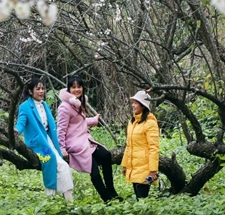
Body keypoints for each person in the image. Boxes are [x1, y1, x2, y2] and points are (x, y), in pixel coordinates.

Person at [57, 75, 119, 203]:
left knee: (106, 155)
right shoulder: (64, 107)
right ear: (68, 89)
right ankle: (107, 198)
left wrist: (93, 120)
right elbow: (61, 129)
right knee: (94, 172)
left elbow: (79, 122)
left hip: (85, 140)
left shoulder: (79, 103)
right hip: (75, 144)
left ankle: (112, 191)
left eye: (79, 87)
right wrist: (62, 148)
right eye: (73, 87)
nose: (77, 90)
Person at [14, 78, 74, 201]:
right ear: (31, 91)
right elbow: (21, 122)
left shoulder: (45, 105)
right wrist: (15, 130)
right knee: (51, 159)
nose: (41, 91)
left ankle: (66, 199)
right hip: (38, 144)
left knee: (63, 165)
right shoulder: (25, 107)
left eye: (42, 88)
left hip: (49, 141)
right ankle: (52, 197)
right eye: (38, 89)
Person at [121, 89, 160, 199]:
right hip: (134, 167)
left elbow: (154, 148)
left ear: (143, 105)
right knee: (139, 199)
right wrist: (125, 165)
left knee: (142, 199)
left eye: (135, 103)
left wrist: (153, 171)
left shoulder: (150, 123)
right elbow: (129, 146)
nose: (133, 105)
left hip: (145, 169)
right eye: (132, 103)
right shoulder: (132, 122)